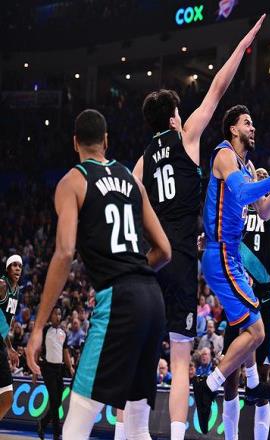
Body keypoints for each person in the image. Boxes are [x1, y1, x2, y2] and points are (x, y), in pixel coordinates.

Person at [133, 15, 266, 440]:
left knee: (140, 354)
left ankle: (127, 433)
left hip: (150, 258)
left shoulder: (142, 160)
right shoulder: (187, 136)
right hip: (181, 256)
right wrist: (244, 43)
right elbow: (218, 87)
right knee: (179, 360)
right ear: (174, 118)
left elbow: (130, 196)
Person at [25, 109, 172, 440]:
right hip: (152, 299)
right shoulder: (132, 180)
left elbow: (65, 252)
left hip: (119, 299)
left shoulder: (73, 181)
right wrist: (134, 275)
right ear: (106, 141)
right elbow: (164, 250)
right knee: (137, 426)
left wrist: (37, 328)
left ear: (75, 143)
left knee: (76, 423)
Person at [195, 103, 270, 433]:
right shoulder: (224, 155)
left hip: (233, 262)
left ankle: (253, 385)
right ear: (233, 129)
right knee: (255, 332)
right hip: (222, 255)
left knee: (252, 331)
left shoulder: (246, 166)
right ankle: (208, 385)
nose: (253, 127)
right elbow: (243, 193)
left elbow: (266, 209)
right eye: (247, 122)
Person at [36, 306, 74, 440]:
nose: (57, 316)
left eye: (59, 314)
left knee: (57, 402)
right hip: (47, 368)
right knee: (54, 400)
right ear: (50, 316)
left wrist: (70, 368)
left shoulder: (64, 333)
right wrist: (35, 370)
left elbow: (65, 352)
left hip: (59, 369)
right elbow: (38, 350)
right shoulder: (45, 330)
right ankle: (56, 434)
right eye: (55, 314)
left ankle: (43, 423)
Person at [0, 255, 22, 419]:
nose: (17, 268)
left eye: (19, 266)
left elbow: (5, 325)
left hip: (1, 344)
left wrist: (10, 347)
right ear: (7, 269)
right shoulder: (2, 285)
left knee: (7, 398)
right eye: (14, 265)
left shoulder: (17, 291)